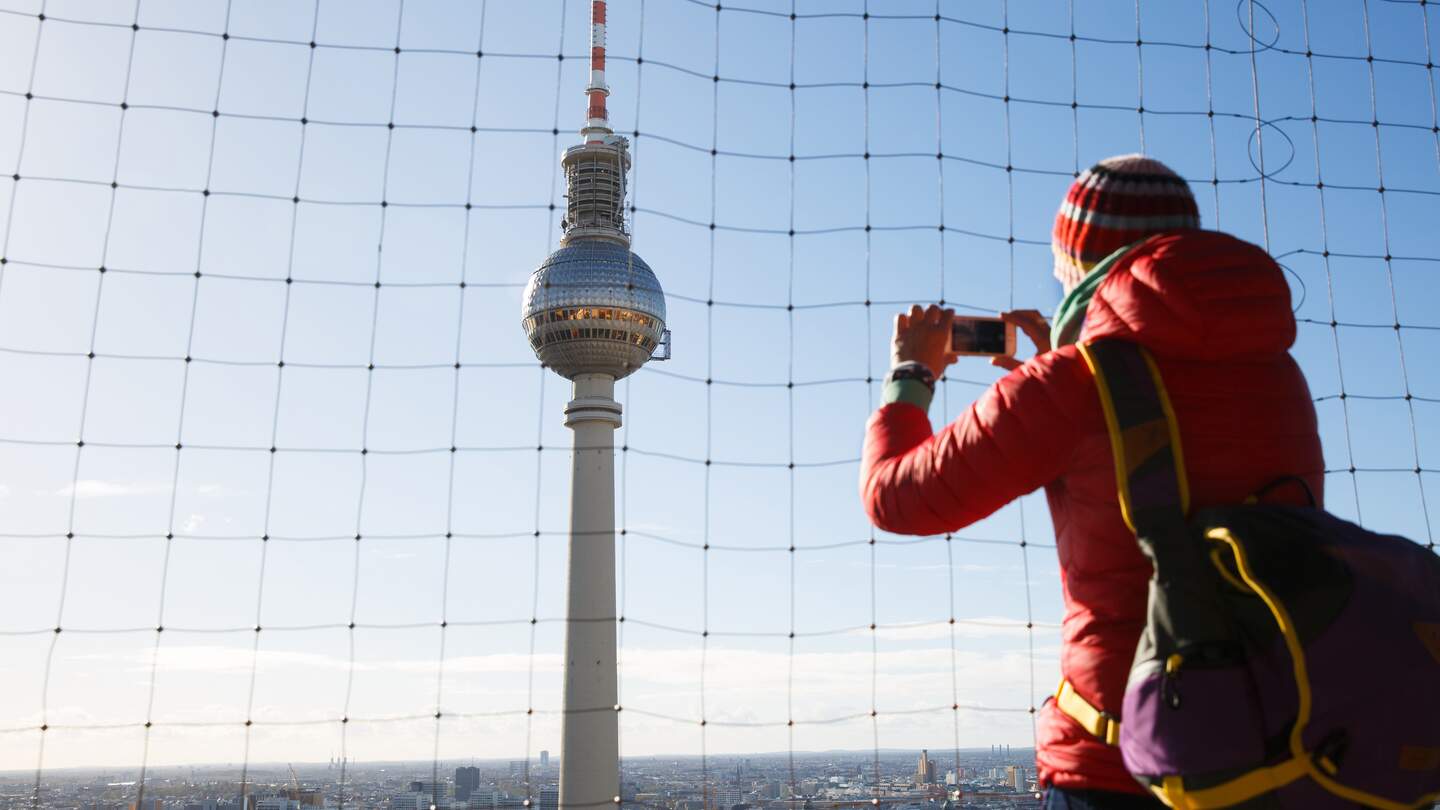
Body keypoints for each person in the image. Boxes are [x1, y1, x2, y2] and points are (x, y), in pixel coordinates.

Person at [859, 155, 1324, 808]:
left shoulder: (1072, 385)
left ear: (1082, 268)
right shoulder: (1280, 375)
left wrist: (911, 373)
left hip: (1120, 762)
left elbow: (896, 497)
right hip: (1272, 750)